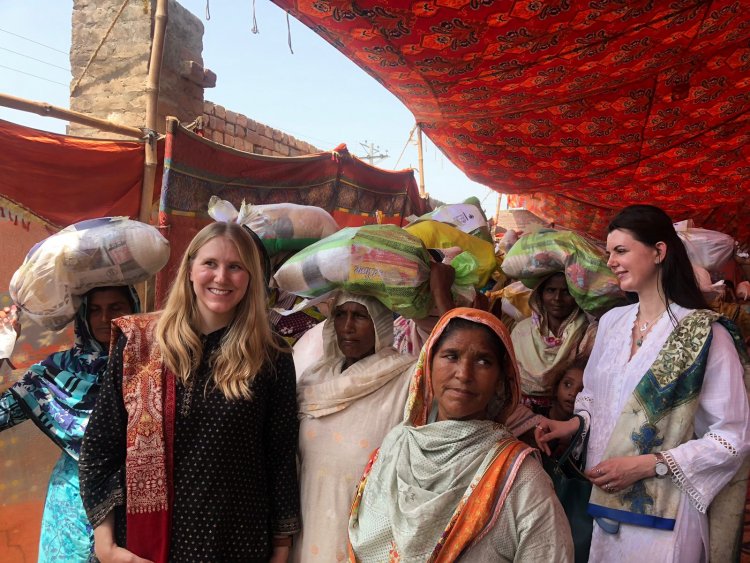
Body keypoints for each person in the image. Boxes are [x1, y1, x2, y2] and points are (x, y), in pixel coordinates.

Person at [536, 204, 750, 562]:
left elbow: (732, 437)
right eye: (609, 253)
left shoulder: (703, 333)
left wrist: (650, 464)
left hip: (663, 513)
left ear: (659, 251)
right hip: (600, 500)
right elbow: (597, 399)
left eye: (621, 250)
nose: (611, 262)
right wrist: (572, 424)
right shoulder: (611, 323)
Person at [79, 222, 300, 563]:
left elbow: (280, 458)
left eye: (235, 266)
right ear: (191, 270)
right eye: (210, 263)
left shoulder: (271, 356)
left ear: (251, 278)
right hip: (145, 548)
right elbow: (99, 447)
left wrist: (281, 550)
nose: (221, 277)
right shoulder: (139, 344)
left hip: (235, 541)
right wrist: (105, 545)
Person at [348, 307, 573, 562]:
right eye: (451, 356)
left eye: (483, 362)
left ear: (501, 378)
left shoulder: (517, 476)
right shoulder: (395, 446)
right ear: (428, 365)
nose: (464, 374)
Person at [0, 286, 138, 562]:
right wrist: (1, 352)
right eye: (95, 310)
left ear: (133, 309)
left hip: (135, 505)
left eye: (116, 308)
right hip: (72, 510)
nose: (104, 319)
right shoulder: (59, 370)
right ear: (83, 316)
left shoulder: (153, 366)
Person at [294, 291, 417, 562]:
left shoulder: (405, 380)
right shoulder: (314, 378)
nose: (347, 326)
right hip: (308, 524)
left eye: (360, 316)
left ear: (381, 323)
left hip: (367, 536)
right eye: (340, 315)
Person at [511, 272, 595, 412]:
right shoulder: (521, 331)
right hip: (520, 410)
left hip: (570, 413)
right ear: (540, 295)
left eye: (566, 292)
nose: (557, 298)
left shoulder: (588, 333)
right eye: (551, 290)